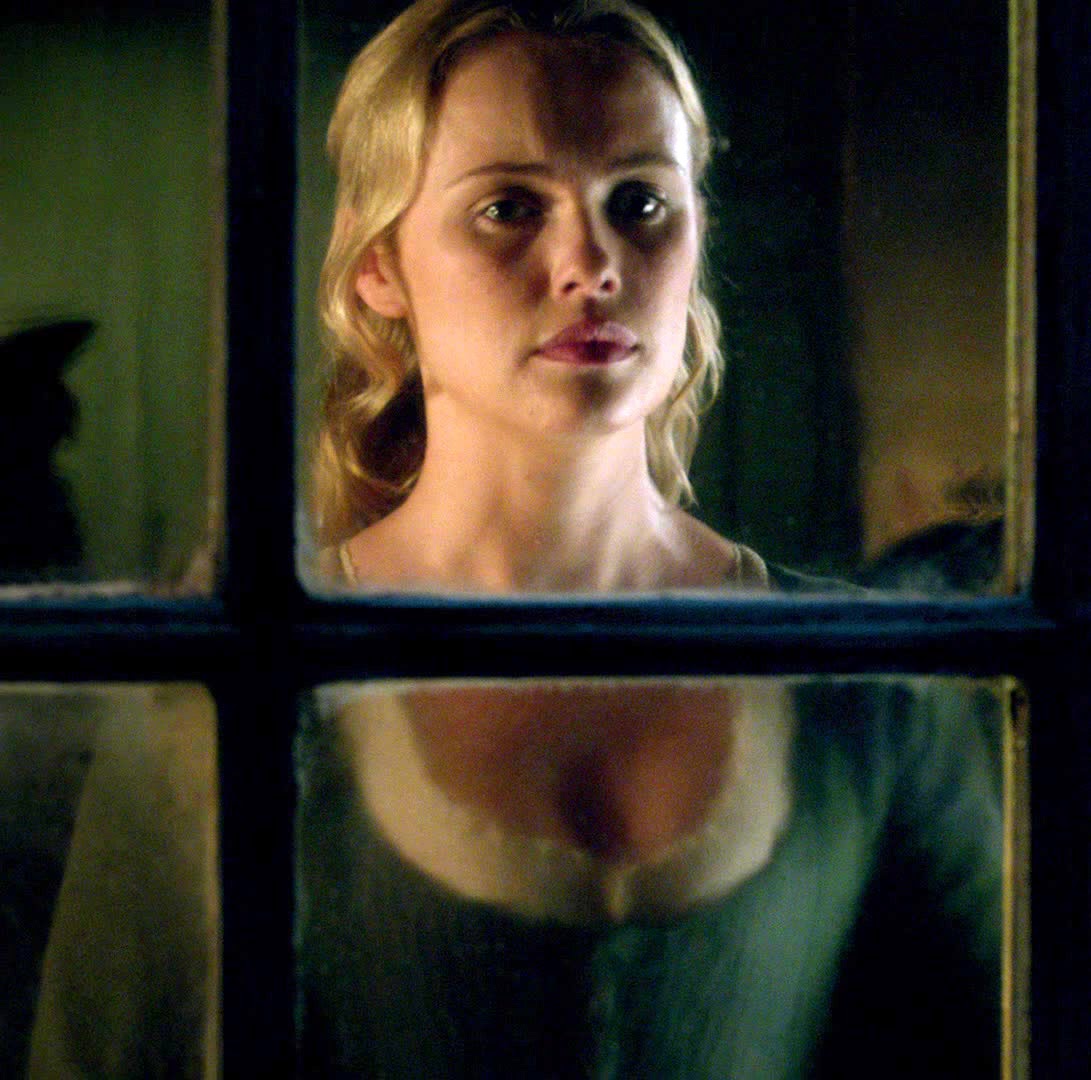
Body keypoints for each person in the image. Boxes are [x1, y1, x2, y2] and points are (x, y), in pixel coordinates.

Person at [30, 1, 1001, 1076]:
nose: (590, 264)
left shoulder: (872, 692)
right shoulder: (211, 708)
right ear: (379, 266)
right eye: (506, 207)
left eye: (639, 202)